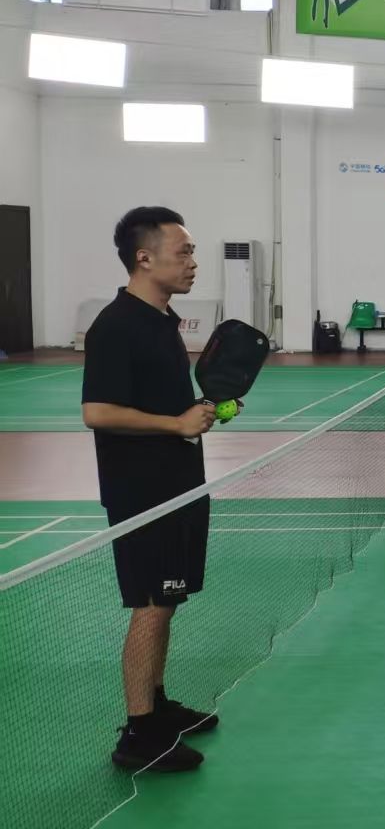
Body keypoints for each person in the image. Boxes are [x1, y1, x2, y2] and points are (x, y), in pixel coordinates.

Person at [81, 207, 220, 773]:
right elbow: (97, 412)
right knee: (150, 605)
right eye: (183, 251)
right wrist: (175, 424)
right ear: (144, 258)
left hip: (179, 483)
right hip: (142, 492)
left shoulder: (162, 319)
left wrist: (198, 413)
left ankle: (157, 706)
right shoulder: (116, 325)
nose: (192, 262)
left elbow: (165, 404)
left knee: (168, 600)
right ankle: (139, 734)